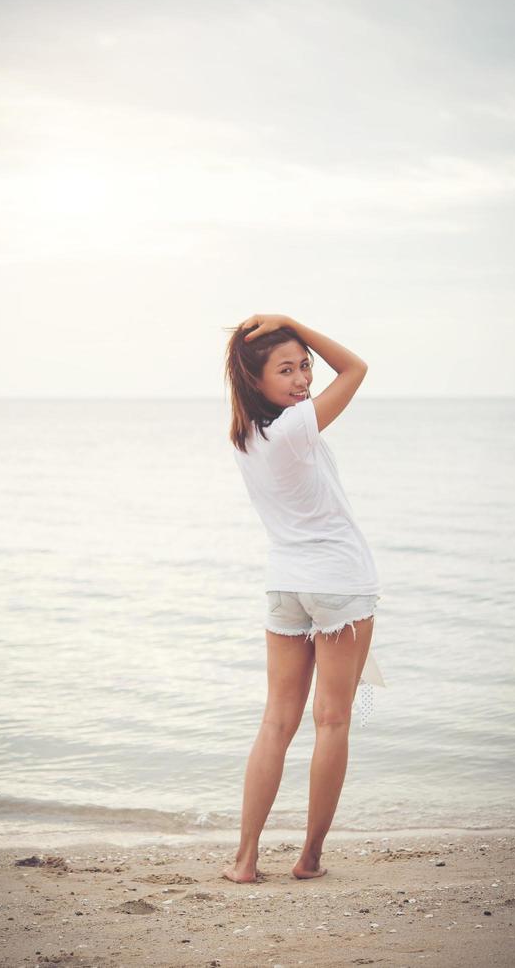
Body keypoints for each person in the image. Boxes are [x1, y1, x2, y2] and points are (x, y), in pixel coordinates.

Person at [221, 313, 386, 884]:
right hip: (339, 581)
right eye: (285, 370)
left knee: (276, 722)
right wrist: (294, 322)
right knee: (332, 721)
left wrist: (288, 341)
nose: (301, 379)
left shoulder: (245, 436)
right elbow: (358, 367)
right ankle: (310, 858)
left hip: (286, 585)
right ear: (255, 381)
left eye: (303, 366)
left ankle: (245, 859)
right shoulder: (296, 428)